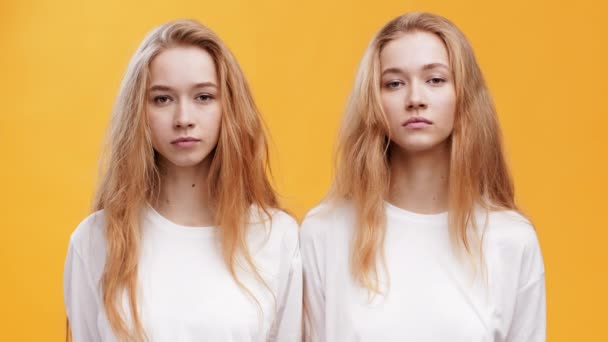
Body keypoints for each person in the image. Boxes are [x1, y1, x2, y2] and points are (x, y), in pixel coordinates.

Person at [301, 12, 545, 342]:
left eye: (435, 80)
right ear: (374, 100)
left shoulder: (512, 239)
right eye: (394, 83)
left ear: (463, 95)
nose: (415, 99)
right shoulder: (325, 232)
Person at [63, 19, 301, 342]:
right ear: (139, 112)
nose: (184, 119)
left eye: (203, 97)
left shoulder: (278, 238)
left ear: (227, 106)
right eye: (162, 99)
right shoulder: (94, 241)